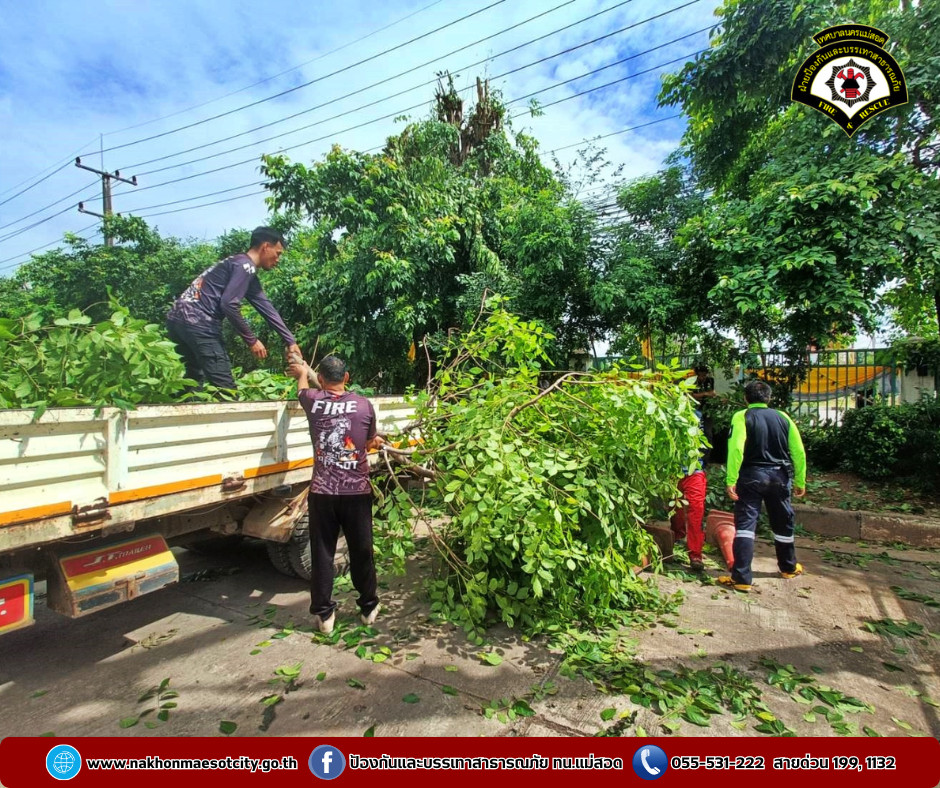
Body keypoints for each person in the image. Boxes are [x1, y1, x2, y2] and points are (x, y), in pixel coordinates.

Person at [288, 355, 384, 634]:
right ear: (347, 377)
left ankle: (324, 615)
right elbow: (368, 442)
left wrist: (301, 373)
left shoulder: (312, 401)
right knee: (361, 550)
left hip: (323, 493)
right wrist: (375, 441)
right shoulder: (364, 405)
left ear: (320, 378)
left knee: (322, 552)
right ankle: (368, 607)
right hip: (356, 492)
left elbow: (302, 389)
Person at [166, 226, 302, 390]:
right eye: (278, 253)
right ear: (266, 246)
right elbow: (229, 304)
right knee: (226, 388)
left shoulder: (237, 263)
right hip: (199, 322)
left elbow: (266, 307)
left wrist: (290, 340)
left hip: (176, 319)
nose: (278, 259)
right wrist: (251, 340)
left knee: (192, 378)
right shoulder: (246, 266)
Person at [720, 381, 807, 592]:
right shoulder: (783, 417)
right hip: (780, 476)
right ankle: (788, 567)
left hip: (751, 476)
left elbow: (736, 449)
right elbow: (798, 451)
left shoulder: (742, 416)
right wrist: (800, 480)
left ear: (746, 398)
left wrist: (731, 479)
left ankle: (742, 578)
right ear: (768, 398)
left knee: (746, 525)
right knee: (783, 521)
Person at [670, 410, 708, 572]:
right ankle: (677, 539)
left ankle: (695, 554)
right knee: (674, 509)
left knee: (696, 511)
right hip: (673, 470)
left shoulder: (697, 415)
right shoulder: (668, 413)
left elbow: (704, 443)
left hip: (695, 471)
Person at [689, 365, 717, 465]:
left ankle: (706, 460)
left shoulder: (710, 381)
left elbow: (712, 393)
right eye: (700, 375)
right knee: (696, 434)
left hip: (707, 411)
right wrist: (705, 394)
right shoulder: (691, 381)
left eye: (704, 375)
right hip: (695, 411)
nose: (702, 378)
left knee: (708, 434)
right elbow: (690, 395)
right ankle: (696, 460)